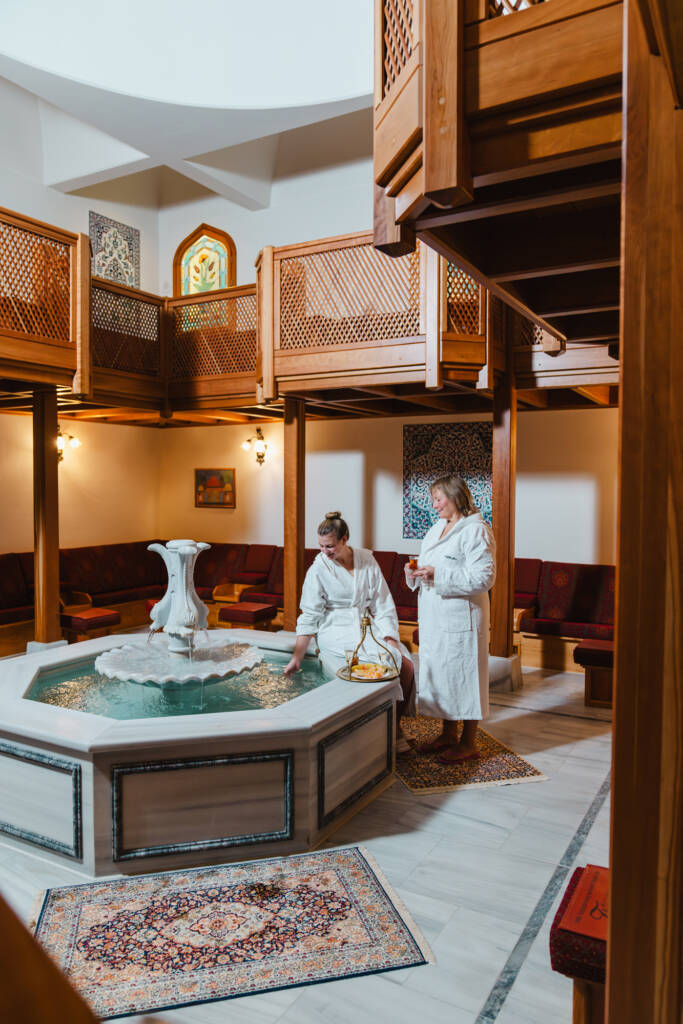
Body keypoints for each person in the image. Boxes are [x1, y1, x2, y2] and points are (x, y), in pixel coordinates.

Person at [284, 512, 415, 745]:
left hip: (366, 625)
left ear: (345, 539)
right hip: (335, 628)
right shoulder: (318, 570)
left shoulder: (366, 560)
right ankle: (363, 735)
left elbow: (382, 603)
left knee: (403, 665)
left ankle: (394, 725)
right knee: (360, 669)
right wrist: (298, 655)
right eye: (321, 546)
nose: (325, 552)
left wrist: (390, 637)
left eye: (331, 546)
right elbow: (309, 615)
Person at [406, 475, 496, 763]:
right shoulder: (436, 529)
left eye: (438, 498)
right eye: (433, 499)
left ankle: (468, 742)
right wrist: (416, 573)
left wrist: (438, 574)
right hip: (435, 616)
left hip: (463, 618)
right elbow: (427, 565)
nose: (434, 505)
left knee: (465, 677)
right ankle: (448, 734)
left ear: (456, 496)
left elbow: (484, 577)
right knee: (444, 676)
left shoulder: (477, 531)